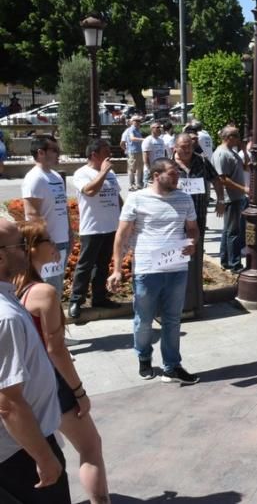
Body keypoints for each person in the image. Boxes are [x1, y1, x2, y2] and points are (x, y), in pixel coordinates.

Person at [15, 222, 110, 504]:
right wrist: (79, 392)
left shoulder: (11, 290)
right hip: (53, 385)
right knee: (91, 447)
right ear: (31, 248)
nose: (55, 243)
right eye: (48, 239)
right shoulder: (42, 292)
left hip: (24, 385)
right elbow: (56, 350)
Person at [109, 158, 200, 385]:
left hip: (177, 268)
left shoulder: (184, 198)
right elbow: (121, 235)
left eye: (178, 172)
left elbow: (193, 229)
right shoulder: (137, 198)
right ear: (156, 175)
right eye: (172, 173)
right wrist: (117, 269)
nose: (177, 176)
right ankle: (144, 356)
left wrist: (193, 243)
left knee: (172, 319)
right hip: (147, 270)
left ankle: (172, 366)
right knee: (144, 320)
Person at [0, 220, 71, 504]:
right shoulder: (5, 316)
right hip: (21, 451)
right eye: (20, 245)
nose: (27, 250)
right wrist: (44, 456)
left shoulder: (7, 298)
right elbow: (8, 402)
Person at [69, 139, 122, 320]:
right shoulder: (81, 173)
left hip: (111, 226)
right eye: (106, 150)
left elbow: (116, 196)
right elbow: (90, 191)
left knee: (103, 265)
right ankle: (76, 301)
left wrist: (125, 216)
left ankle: (99, 298)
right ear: (94, 154)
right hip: (93, 227)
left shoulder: (111, 173)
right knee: (85, 265)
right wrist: (103, 171)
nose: (110, 154)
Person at [172, 133, 225, 312]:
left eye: (189, 146)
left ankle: (195, 292)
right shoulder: (167, 165)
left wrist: (220, 200)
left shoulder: (201, 161)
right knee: (177, 255)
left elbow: (216, 180)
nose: (187, 149)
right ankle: (177, 294)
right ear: (175, 147)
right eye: (183, 146)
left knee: (196, 254)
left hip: (198, 216)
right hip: (175, 221)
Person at [22, 135, 71, 294]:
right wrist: (48, 243)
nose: (58, 153)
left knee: (56, 288)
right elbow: (32, 214)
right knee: (47, 291)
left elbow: (63, 206)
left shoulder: (55, 176)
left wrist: (69, 232)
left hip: (61, 241)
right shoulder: (35, 178)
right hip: (46, 244)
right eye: (54, 150)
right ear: (40, 153)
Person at [212, 127, 249, 273]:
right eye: (237, 136)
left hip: (237, 197)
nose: (239, 139)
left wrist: (244, 150)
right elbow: (223, 179)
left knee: (230, 230)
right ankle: (234, 263)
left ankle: (226, 260)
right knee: (233, 232)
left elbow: (246, 166)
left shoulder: (232, 152)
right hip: (231, 197)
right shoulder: (221, 154)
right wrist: (243, 189)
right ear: (229, 137)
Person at [122, 115, 144, 190]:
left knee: (139, 168)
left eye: (139, 121)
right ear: (132, 122)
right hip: (132, 151)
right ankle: (131, 184)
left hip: (139, 151)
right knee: (131, 169)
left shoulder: (138, 130)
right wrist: (143, 139)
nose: (138, 122)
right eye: (136, 121)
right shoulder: (131, 129)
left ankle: (139, 184)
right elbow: (132, 138)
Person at [140, 121, 166, 186]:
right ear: (152, 129)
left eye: (160, 127)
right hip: (150, 170)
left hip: (160, 169)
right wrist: (150, 170)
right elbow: (145, 157)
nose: (160, 129)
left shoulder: (161, 140)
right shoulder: (148, 140)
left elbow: (163, 154)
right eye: (158, 127)